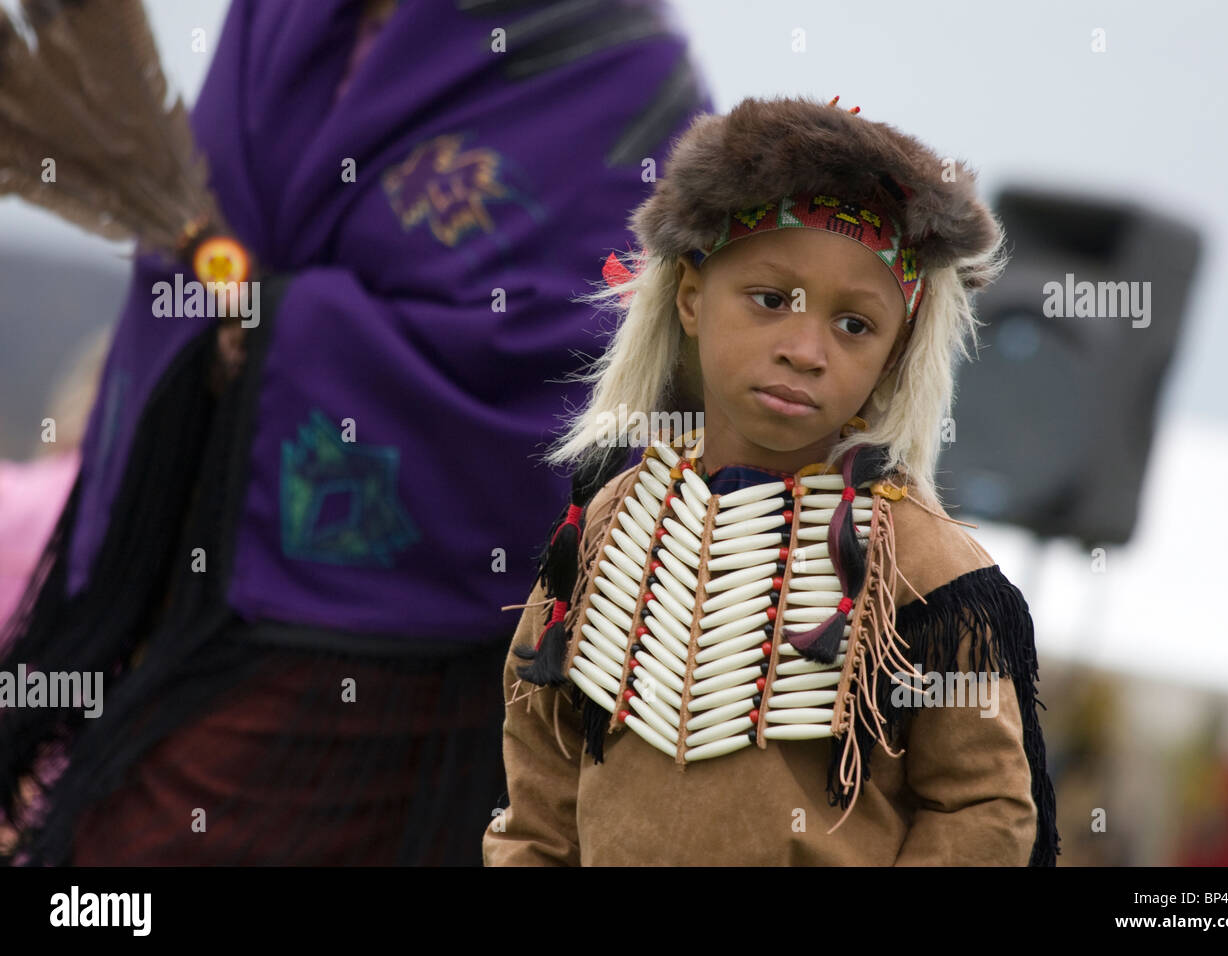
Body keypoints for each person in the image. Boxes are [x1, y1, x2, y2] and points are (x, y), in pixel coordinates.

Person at [0, 0, 709, 865]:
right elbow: (206, 224)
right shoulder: (277, 21)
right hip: (183, 601)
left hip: (409, 678)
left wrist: (279, 326)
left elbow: (578, 360)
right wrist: (230, 306)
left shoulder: (614, 71)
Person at [482, 94, 1061, 866]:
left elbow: (981, 810)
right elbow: (540, 792)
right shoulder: (603, 531)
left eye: (854, 324)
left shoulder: (927, 573)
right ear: (691, 298)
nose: (804, 349)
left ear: (894, 354)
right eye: (769, 300)